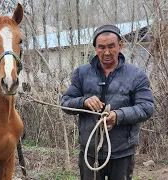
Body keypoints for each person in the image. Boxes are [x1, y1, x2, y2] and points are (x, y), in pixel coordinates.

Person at [60, 25, 154, 180]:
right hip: (89, 152)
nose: (107, 52)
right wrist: (84, 101)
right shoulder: (81, 73)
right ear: (95, 48)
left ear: (120, 45)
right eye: (101, 47)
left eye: (111, 46)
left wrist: (118, 116)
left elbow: (147, 108)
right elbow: (65, 103)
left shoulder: (136, 75)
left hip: (122, 152)